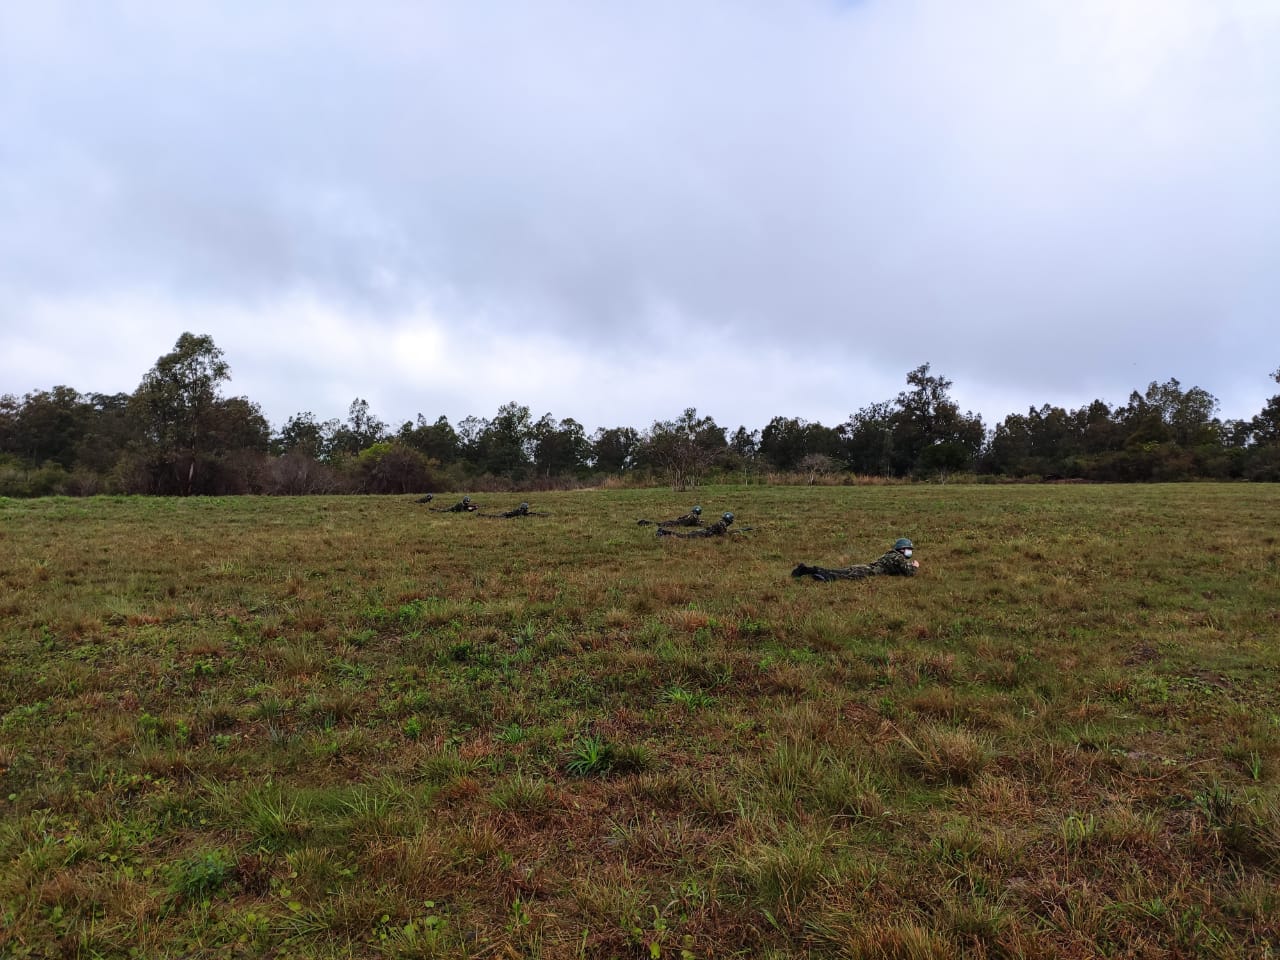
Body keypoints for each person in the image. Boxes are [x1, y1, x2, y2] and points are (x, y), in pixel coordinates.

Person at [791, 537, 919, 581]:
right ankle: (809, 570)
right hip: (866, 572)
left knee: (839, 572)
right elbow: (908, 573)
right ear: (902, 549)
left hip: (864, 567)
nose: (910, 552)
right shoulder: (898, 557)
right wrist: (914, 566)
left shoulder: (890, 554)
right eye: (908, 549)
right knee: (840, 575)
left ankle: (813, 573)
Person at [657, 511, 734, 538]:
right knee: (683, 536)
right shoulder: (722, 524)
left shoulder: (721, 523)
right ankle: (664, 533)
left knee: (683, 536)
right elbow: (723, 535)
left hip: (702, 532)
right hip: (702, 534)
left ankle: (664, 532)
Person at [638, 505, 702, 527]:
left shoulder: (691, 515)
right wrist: (700, 523)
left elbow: (685, 518)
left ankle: (645, 522)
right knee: (660, 524)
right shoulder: (694, 516)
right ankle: (645, 523)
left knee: (661, 524)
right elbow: (695, 523)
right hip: (678, 523)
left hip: (678, 522)